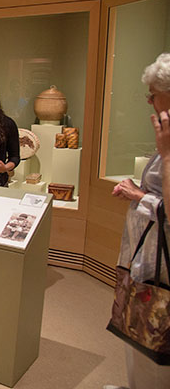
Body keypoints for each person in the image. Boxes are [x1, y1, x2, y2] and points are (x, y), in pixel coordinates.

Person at [109, 53, 170, 389]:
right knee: (141, 322)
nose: (150, 100)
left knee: (156, 327)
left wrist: (138, 196)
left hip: (162, 256)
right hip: (148, 248)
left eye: (153, 93)